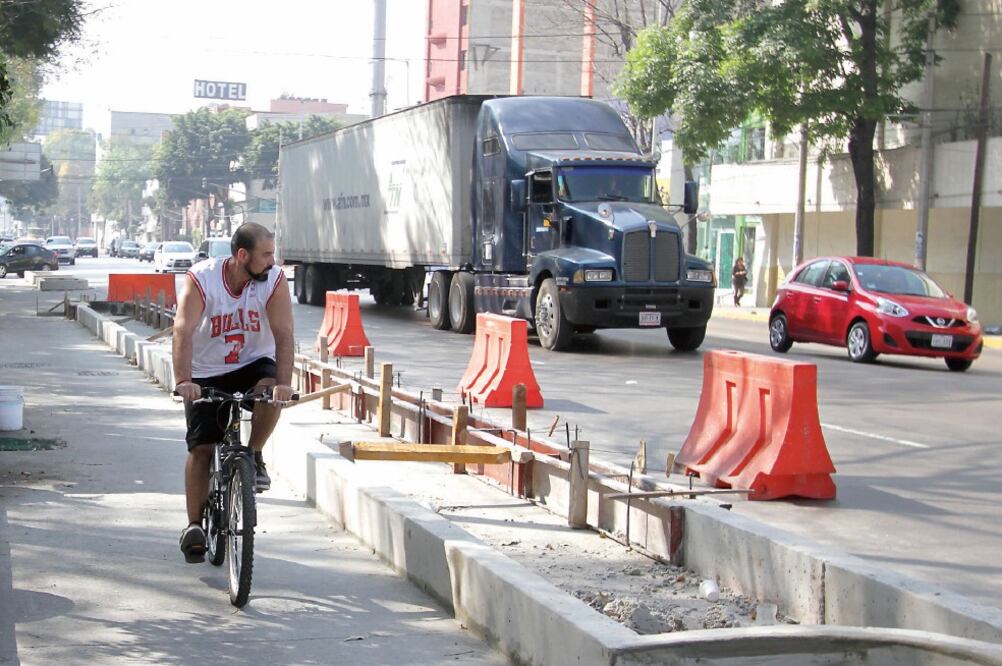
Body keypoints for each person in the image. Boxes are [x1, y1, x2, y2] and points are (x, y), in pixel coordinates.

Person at [172, 223, 295, 563]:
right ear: (243, 255)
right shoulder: (202, 279)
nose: (272, 261)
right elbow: (182, 328)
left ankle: (253, 455)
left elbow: (284, 334)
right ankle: (194, 525)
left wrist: (284, 382)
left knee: (270, 393)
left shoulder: (274, 281)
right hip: (206, 370)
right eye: (266, 254)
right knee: (202, 447)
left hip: (254, 362)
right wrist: (184, 380)